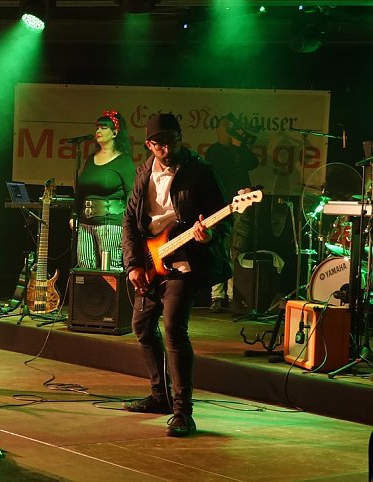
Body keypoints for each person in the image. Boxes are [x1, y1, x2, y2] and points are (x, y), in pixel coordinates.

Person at [121, 113, 231, 437]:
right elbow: (130, 222)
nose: (167, 148)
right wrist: (134, 265)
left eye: (173, 141)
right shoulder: (143, 174)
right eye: (160, 143)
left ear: (182, 138)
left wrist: (209, 234)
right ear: (149, 144)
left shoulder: (200, 172)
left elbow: (223, 218)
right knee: (141, 326)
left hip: (185, 264)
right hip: (151, 260)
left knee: (173, 327)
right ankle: (160, 397)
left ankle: (184, 412)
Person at [206, 115, 259, 313]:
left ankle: (234, 294)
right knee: (218, 248)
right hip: (219, 205)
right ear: (219, 130)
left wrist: (240, 146)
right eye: (226, 127)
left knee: (236, 250)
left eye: (232, 127)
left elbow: (253, 163)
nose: (229, 131)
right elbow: (221, 169)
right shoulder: (214, 151)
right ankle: (217, 296)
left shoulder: (240, 148)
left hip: (241, 205)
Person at [72, 109, 135, 270]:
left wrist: (127, 223)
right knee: (84, 270)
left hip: (111, 225)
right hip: (85, 225)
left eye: (103, 127)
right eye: (97, 127)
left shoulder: (123, 161)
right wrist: (74, 215)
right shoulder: (91, 159)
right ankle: (88, 297)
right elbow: (80, 193)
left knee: (110, 270)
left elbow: (131, 194)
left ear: (115, 133)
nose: (98, 131)